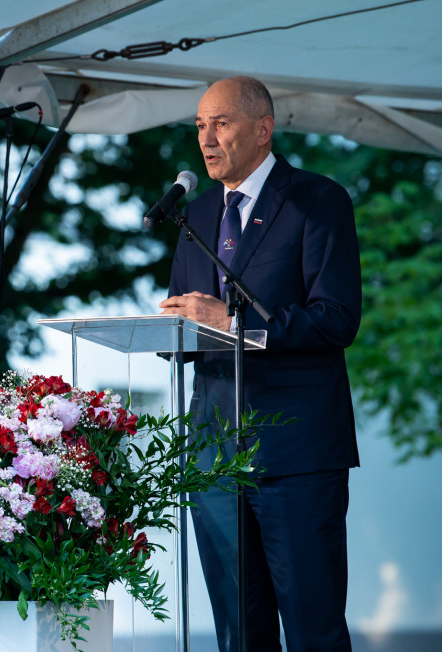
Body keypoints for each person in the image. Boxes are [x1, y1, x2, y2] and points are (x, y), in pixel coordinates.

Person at [158, 76, 361, 651]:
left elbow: (337, 317)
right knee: (237, 634)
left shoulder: (316, 202)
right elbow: (190, 317)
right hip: (213, 455)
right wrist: (173, 326)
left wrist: (236, 326)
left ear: (263, 129)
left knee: (311, 629)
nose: (206, 138)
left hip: (295, 453)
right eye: (199, 126)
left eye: (220, 123)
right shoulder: (194, 215)